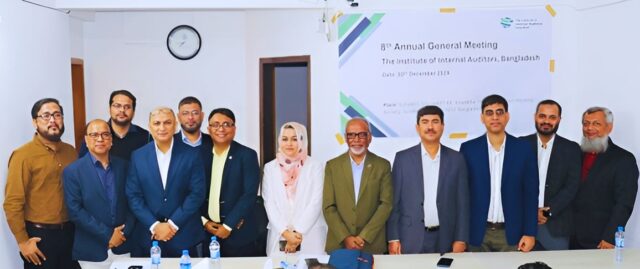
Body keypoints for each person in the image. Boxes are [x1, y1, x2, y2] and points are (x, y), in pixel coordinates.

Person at [4, 98, 79, 269]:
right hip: (39, 239)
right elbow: (12, 202)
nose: (52, 120)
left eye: (57, 115)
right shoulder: (23, 155)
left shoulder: (71, 152)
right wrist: (23, 242)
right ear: (35, 122)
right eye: (46, 116)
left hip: (69, 234)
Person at [460, 94, 538, 252]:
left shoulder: (523, 149)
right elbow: (462, 196)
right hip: (477, 234)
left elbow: (530, 194)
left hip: (511, 234)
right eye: (489, 113)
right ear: (482, 118)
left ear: (507, 116)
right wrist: (460, 235)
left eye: (499, 112)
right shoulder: (468, 149)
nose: (495, 117)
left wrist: (530, 233)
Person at [387, 105, 469, 254]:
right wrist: (393, 238)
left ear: (443, 126)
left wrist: (461, 239)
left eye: (435, 121)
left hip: (446, 238)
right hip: (410, 238)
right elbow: (394, 203)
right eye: (425, 122)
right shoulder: (402, 159)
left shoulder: (457, 159)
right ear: (417, 127)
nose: (430, 126)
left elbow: (462, 204)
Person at [126, 107, 205, 257]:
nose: (162, 128)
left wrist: (172, 225)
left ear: (175, 124)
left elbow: (197, 193)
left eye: (167, 122)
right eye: (157, 123)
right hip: (149, 236)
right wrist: (155, 225)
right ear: (149, 126)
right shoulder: (138, 156)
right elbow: (133, 196)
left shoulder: (192, 154)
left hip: (184, 235)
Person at [63, 119, 136, 268]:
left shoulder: (125, 166)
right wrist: (108, 235)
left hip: (123, 247)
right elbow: (75, 211)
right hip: (91, 251)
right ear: (86, 140)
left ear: (111, 140)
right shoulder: (72, 171)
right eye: (94, 135)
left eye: (105, 134)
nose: (100, 139)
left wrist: (122, 234)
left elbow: (133, 201)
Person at [322, 118, 393, 254]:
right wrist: (346, 237)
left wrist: (364, 236)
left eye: (362, 134)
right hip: (340, 245)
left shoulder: (382, 165)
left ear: (370, 138)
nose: (356, 139)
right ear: (345, 138)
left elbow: (386, 205)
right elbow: (328, 207)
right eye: (351, 135)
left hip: (371, 244)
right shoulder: (332, 166)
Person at [571, 107, 639, 249]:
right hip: (570, 237)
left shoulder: (624, 159)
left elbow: (624, 203)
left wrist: (610, 237)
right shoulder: (574, 154)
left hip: (601, 240)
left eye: (596, 124)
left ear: (609, 127)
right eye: (585, 123)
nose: (589, 128)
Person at [200, 108, 263, 257]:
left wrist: (228, 226)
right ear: (208, 129)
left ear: (234, 129)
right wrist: (204, 222)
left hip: (239, 234)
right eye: (215, 125)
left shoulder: (246, 155)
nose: (221, 129)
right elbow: (193, 191)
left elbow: (249, 194)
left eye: (226, 124)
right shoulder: (200, 155)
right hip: (209, 233)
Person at [520, 100, 581, 250]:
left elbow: (572, 186)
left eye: (552, 117)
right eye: (542, 116)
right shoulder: (519, 145)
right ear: (535, 117)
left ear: (559, 119)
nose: (546, 121)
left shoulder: (571, 149)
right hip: (522, 224)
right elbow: (512, 183)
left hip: (555, 226)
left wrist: (548, 211)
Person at [262, 122, 327, 256]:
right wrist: (286, 233)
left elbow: (316, 201)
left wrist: (298, 232)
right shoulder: (270, 168)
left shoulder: (315, 166)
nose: (289, 143)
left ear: (303, 140)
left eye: (295, 139)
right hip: (280, 233)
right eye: (285, 139)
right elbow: (269, 202)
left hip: (310, 233)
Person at [79, 90, 151, 160]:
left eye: (127, 107)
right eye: (117, 106)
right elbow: (82, 166)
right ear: (109, 109)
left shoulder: (145, 136)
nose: (122, 110)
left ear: (133, 111)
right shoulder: (94, 135)